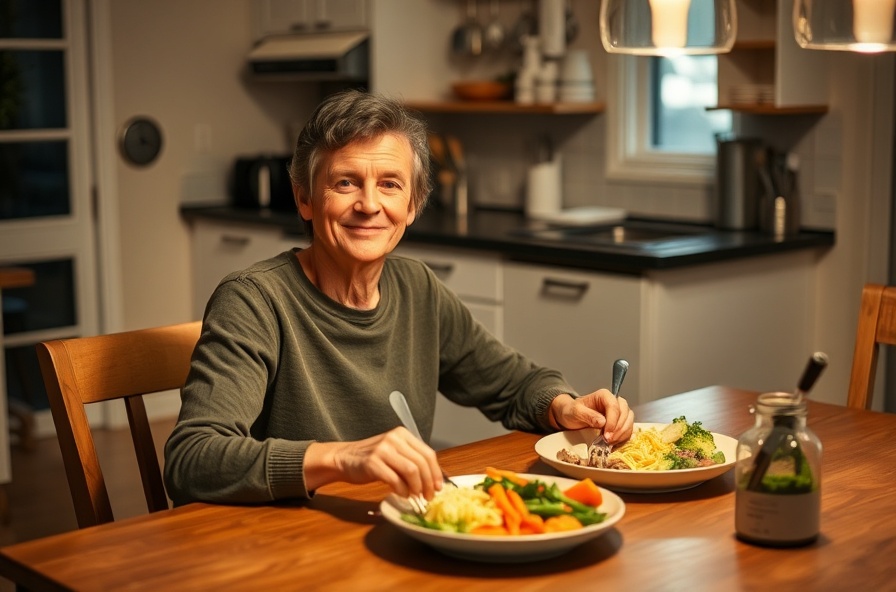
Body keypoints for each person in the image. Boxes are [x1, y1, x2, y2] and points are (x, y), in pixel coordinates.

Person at [163, 90, 634, 506]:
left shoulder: (418, 289)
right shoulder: (253, 301)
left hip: (400, 526)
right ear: (305, 198)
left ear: (412, 205)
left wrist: (563, 406)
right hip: (284, 545)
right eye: (345, 182)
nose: (369, 204)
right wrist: (344, 457)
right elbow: (193, 459)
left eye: (389, 184)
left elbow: (512, 383)